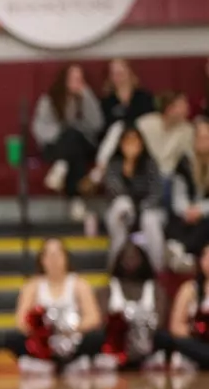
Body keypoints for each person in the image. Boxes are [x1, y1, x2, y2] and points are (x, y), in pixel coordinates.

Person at [1, 237, 103, 375]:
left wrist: (71, 328)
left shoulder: (79, 284)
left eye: (58, 254)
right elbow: (20, 321)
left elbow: (94, 317)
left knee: (97, 337)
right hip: (43, 342)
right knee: (13, 339)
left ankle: (73, 362)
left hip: (73, 339)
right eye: (49, 255)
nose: (53, 260)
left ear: (66, 257)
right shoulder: (32, 286)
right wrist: (42, 332)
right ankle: (42, 362)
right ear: (41, 260)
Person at [32, 64, 103, 217]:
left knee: (74, 136)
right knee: (70, 141)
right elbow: (39, 128)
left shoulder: (85, 97)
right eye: (73, 78)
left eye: (79, 79)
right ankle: (76, 200)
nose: (76, 82)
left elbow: (97, 124)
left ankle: (61, 168)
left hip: (84, 144)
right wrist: (62, 135)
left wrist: (86, 95)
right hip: (55, 146)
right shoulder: (49, 100)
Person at [102, 125, 167, 272]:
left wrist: (142, 208)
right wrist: (128, 164)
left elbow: (156, 192)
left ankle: (157, 269)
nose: (131, 145)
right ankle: (114, 267)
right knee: (122, 205)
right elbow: (114, 190)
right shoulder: (114, 164)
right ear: (121, 144)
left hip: (147, 209)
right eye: (127, 141)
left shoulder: (150, 164)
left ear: (142, 144)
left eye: (135, 141)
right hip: (121, 212)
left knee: (150, 220)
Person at [99, 240, 165, 372]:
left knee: (165, 339)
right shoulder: (107, 290)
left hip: (149, 348)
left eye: (134, 257)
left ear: (144, 259)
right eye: (126, 257)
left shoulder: (156, 289)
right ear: (118, 260)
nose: (130, 261)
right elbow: (102, 323)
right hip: (114, 352)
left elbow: (160, 323)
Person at [168, 120, 209, 262]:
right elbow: (178, 195)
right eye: (200, 138)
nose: (203, 142)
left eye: (207, 138)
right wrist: (187, 210)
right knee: (175, 220)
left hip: (206, 213)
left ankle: (183, 249)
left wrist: (200, 210)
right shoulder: (185, 162)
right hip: (187, 212)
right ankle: (180, 252)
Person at [165, 245, 209, 372]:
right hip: (196, 343)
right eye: (205, 256)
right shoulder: (189, 289)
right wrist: (199, 332)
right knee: (175, 341)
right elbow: (176, 326)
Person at [100, 57, 154, 135]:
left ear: (130, 73)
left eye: (121, 73)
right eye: (114, 74)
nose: (117, 77)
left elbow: (151, 122)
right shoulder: (107, 102)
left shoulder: (144, 97)